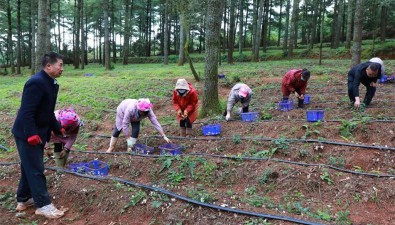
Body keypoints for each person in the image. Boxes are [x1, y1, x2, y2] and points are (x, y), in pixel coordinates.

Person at [12, 52, 67, 219]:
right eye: (60, 65)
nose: (62, 69)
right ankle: (43, 205)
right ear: (48, 66)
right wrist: (31, 134)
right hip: (27, 133)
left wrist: (58, 128)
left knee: (28, 166)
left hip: (37, 132)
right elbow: (27, 111)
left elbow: (47, 111)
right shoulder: (36, 82)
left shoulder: (50, 83)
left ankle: (24, 199)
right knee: (36, 168)